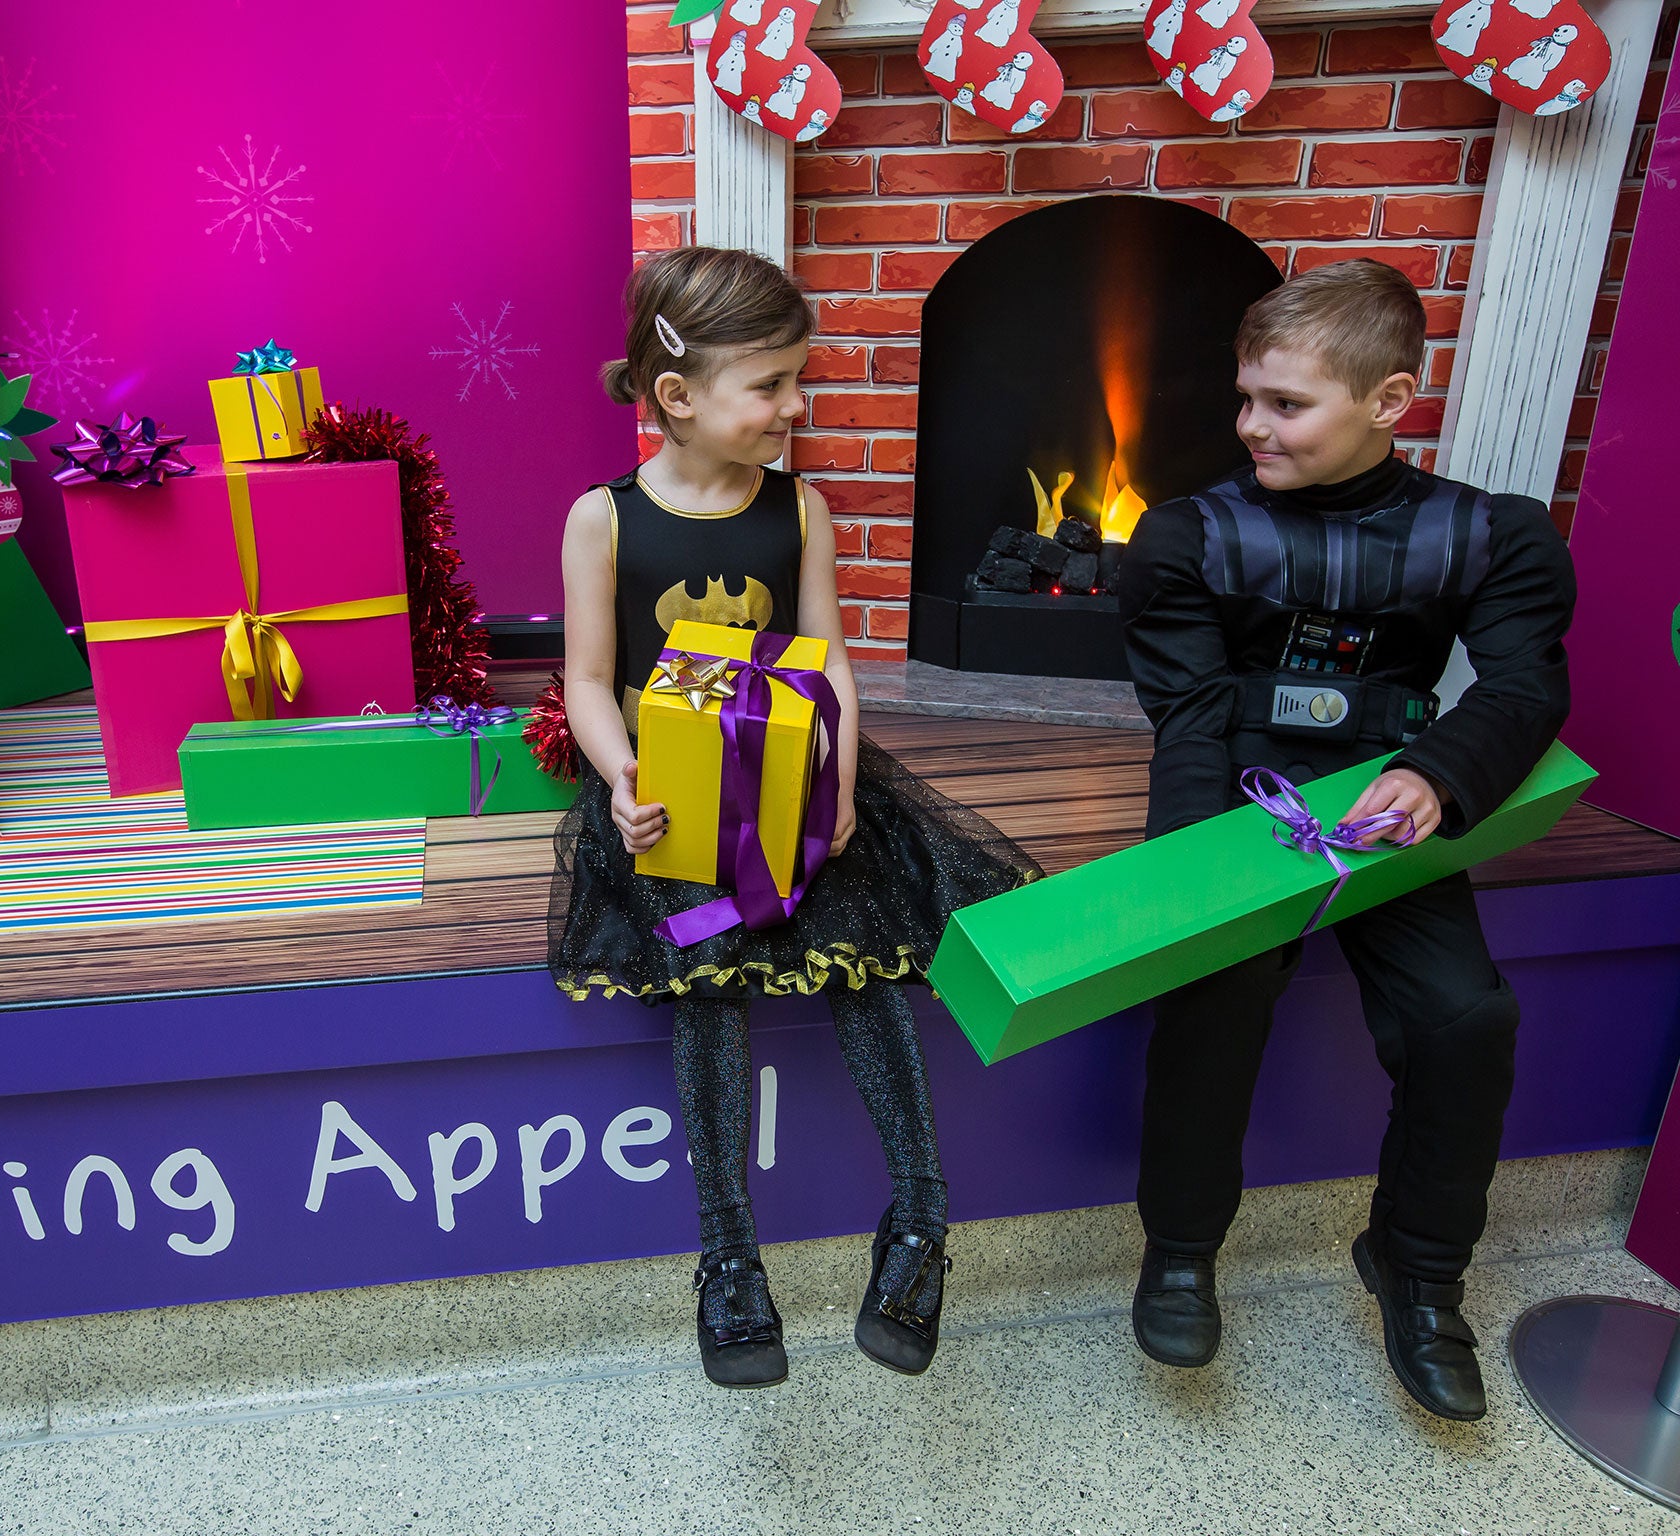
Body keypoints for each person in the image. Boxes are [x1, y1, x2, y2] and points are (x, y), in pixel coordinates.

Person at [550, 246, 1040, 1388]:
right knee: (705, 983)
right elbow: (584, 680)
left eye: (794, 378)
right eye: (768, 384)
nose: (795, 405)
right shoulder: (603, 520)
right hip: (667, 803)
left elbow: (827, 663)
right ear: (677, 397)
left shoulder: (799, 507)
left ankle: (920, 1219)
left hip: (799, 780)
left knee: (860, 962)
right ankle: (727, 1259)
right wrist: (624, 779)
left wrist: (834, 788)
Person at [1117, 259, 1575, 1421]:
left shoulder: (1491, 534)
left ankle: (1416, 1270)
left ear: (1389, 400)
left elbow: (1523, 686)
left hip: (1389, 802)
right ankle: (1178, 1247)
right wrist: (1187, 876)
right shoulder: (1186, 535)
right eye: (1244, 399)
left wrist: (1437, 774)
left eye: (1285, 404)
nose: (1249, 426)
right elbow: (1186, 708)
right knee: (1215, 995)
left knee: (1465, 1017)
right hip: (1236, 792)